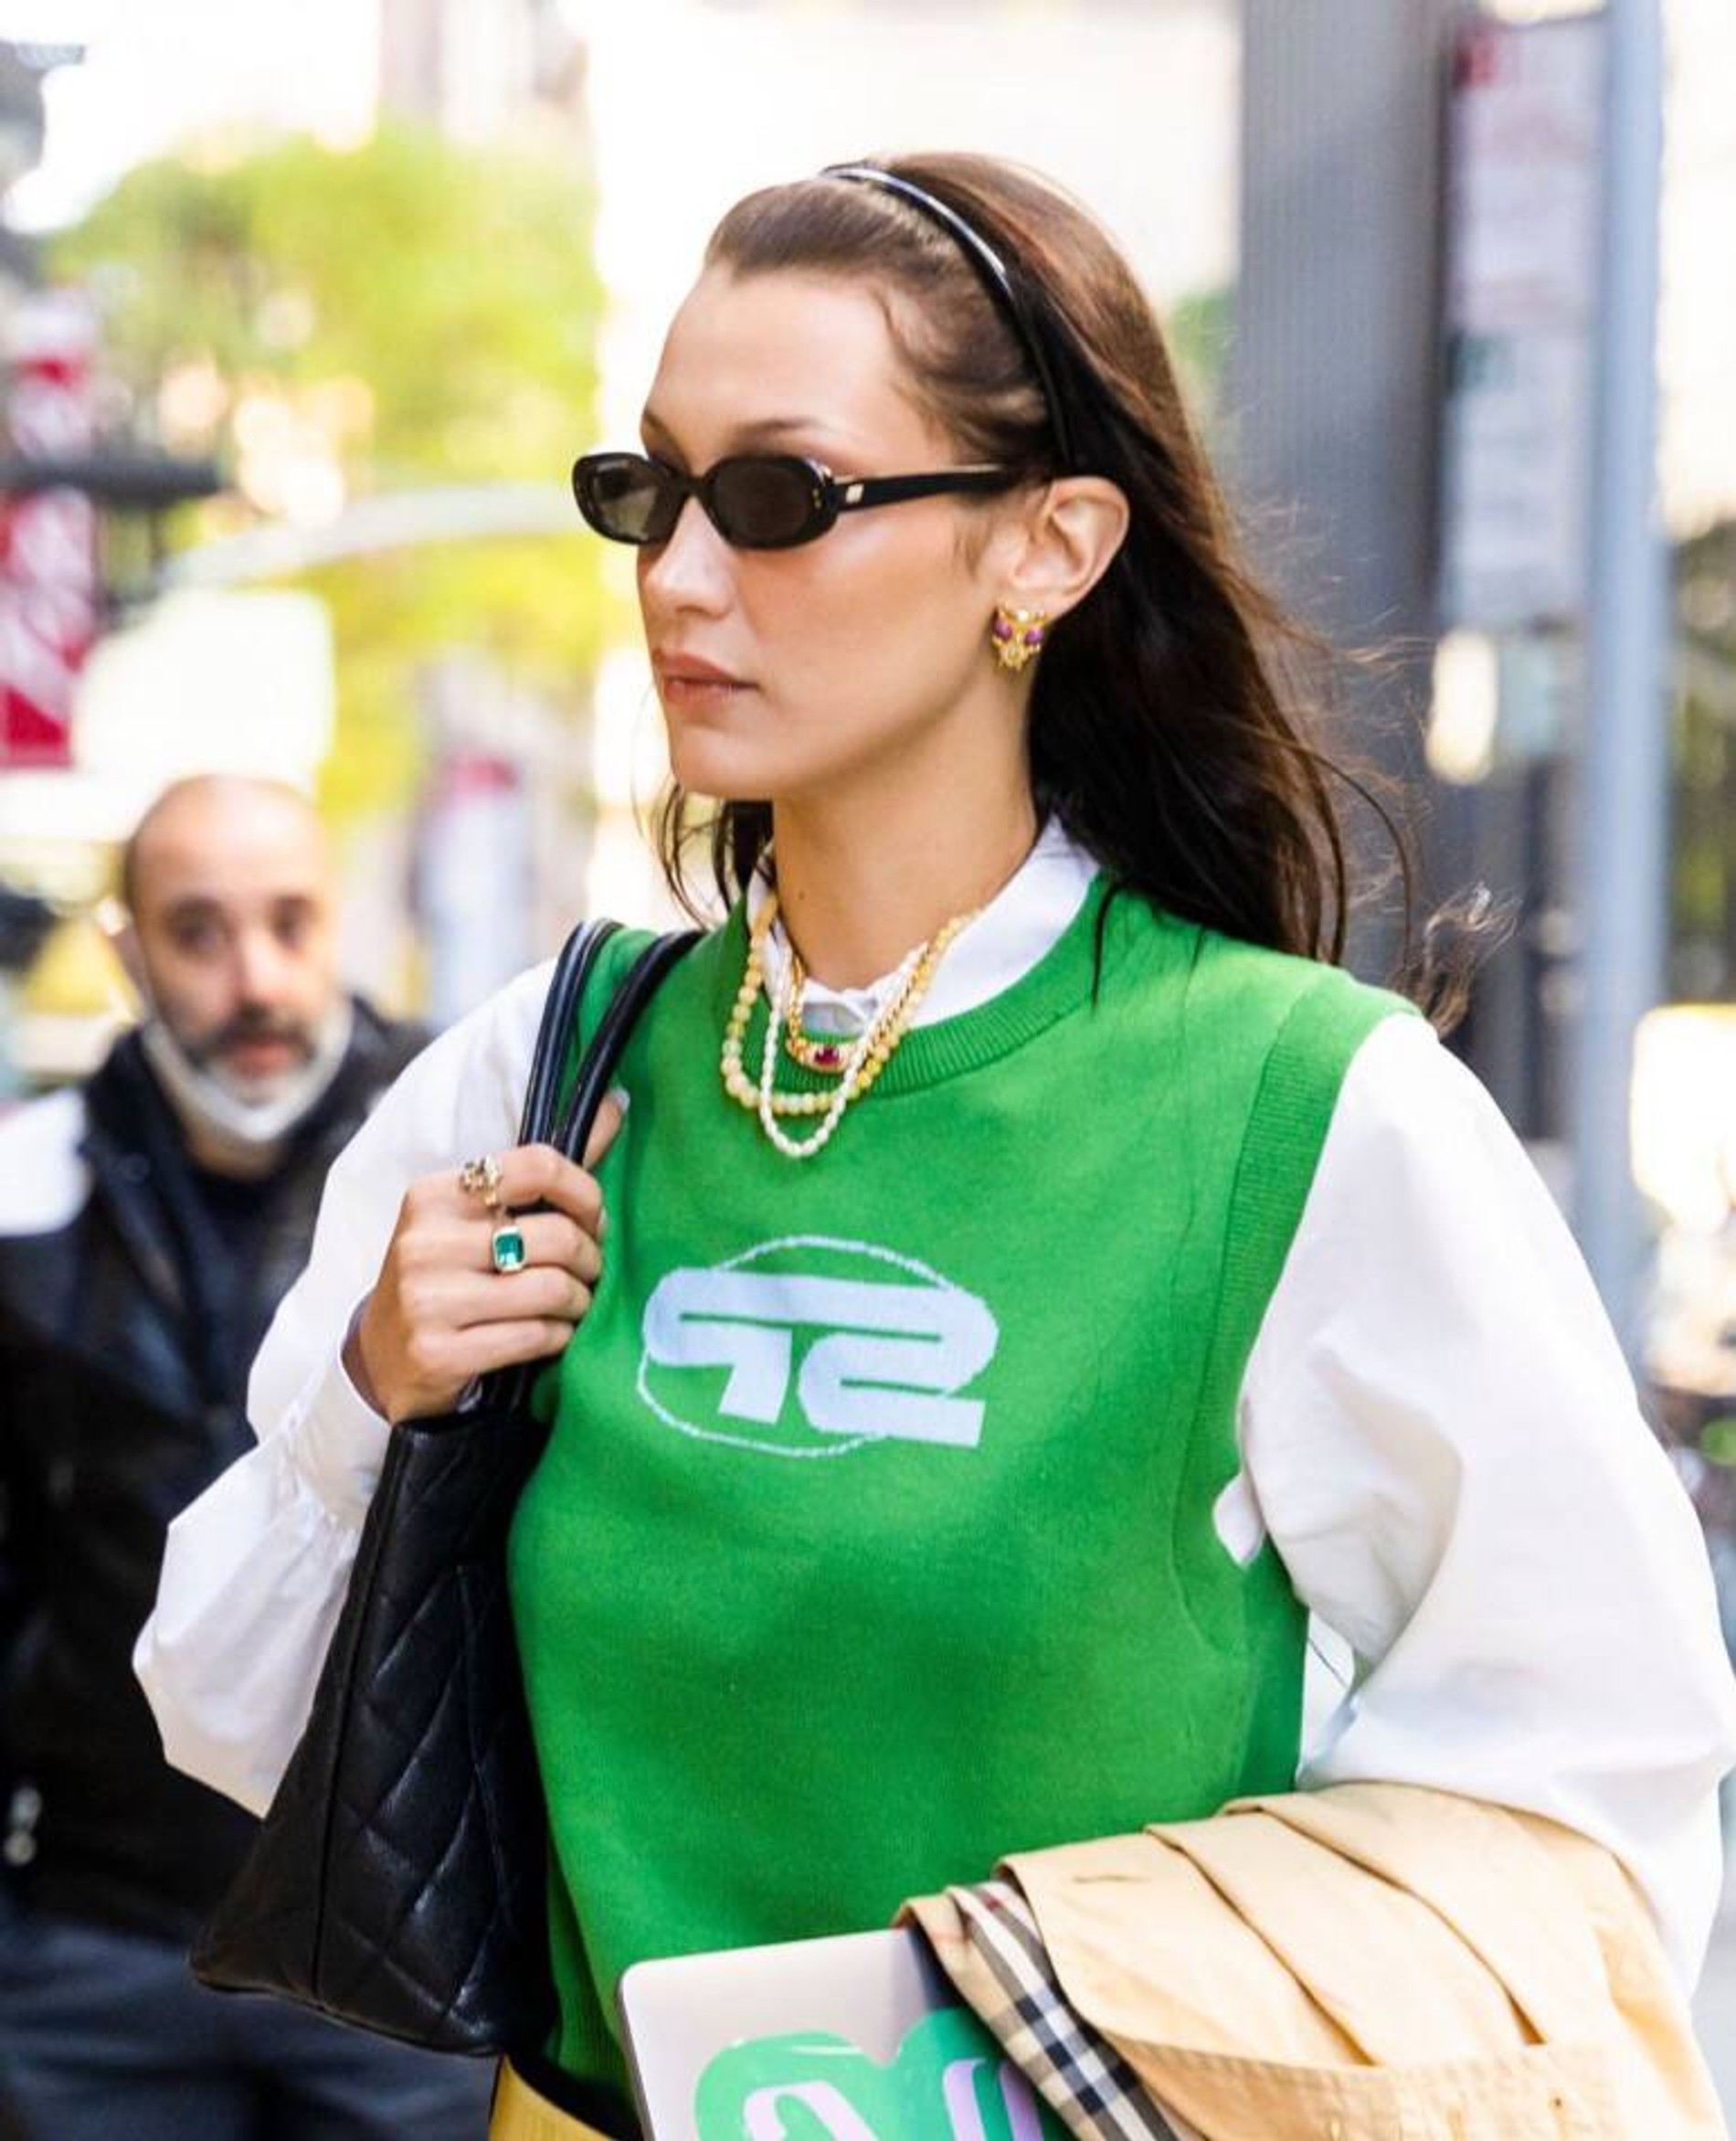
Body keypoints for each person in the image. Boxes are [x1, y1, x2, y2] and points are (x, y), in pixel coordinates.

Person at [137, 158, 1736, 2139]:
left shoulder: (1302, 1105)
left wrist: (1064, 2002)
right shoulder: (541, 1070)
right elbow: (225, 1719)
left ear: (1047, 547)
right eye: (650, 489)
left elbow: (1578, 1797)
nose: (679, 577)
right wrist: (373, 1399)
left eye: (780, 497)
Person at [0, 776, 492, 2139]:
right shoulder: (22, 1200)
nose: (255, 980)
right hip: (97, 1944)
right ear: (127, 951)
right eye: (198, 931)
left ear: (344, 921)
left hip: (400, 1959)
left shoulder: (470, 1165)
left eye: (289, 922)